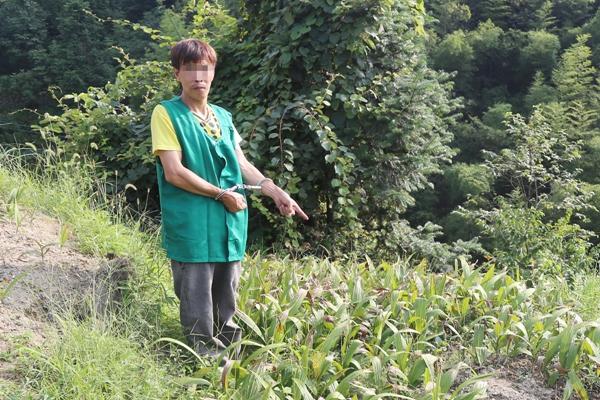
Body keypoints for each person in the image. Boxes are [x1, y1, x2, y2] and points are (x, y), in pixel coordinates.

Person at [151, 38, 308, 361]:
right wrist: (221, 194)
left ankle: (232, 360)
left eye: (204, 69)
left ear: (213, 72)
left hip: (228, 223)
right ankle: (205, 364)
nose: (199, 77)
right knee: (197, 299)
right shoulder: (166, 114)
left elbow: (241, 163)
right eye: (190, 69)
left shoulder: (222, 116)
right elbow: (174, 171)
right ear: (177, 74)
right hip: (193, 222)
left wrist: (273, 189)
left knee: (227, 295)